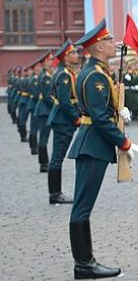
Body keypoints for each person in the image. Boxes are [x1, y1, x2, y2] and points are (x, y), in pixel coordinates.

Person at [67, 20, 133, 278]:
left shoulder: (98, 72)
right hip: (93, 144)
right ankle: (84, 264)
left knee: (83, 204)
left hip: (91, 143)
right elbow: (99, 117)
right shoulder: (95, 75)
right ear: (96, 46)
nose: (113, 44)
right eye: (108, 40)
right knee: (83, 206)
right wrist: (123, 141)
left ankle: (85, 261)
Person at [46, 41, 80, 205]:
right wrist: (76, 117)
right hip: (63, 120)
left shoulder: (63, 72)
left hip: (61, 119)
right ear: (66, 57)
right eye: (73, 53)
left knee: (57, 157)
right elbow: (65, 101)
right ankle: (55, 194)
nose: (77, 55)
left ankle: (55, 193)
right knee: (57, 158)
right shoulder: (64, 75)